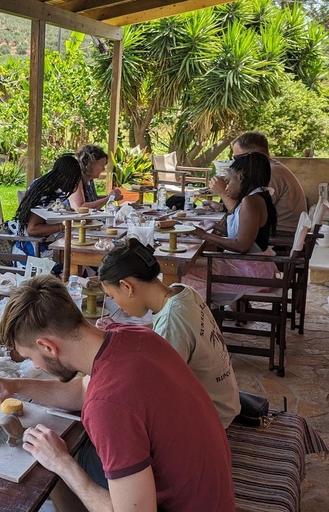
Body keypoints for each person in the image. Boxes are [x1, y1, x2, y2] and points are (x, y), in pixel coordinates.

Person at [0, 275, 235, 511]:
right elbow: (81, 389)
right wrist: (16, 386)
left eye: (31, 357)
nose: (34, 365)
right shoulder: (130, 335)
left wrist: (62, 463)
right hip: (210, 496)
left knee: (59, 476)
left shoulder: (108, 405)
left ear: (47, 346)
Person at [98, 238, 240, 428]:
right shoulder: (181, 292)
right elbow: (161, 331)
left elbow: (158, 390)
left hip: (210, 417)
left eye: (113, 297)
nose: (117, 305)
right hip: (226, 402)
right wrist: (122, 330)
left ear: (127, 286)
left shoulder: (171, 320)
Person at [184, 152, 278, 303]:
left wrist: (205, 236)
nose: (226, 187)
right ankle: (207, 315)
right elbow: (245, 234)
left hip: (251, 274)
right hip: (255, 267)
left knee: (185, 273)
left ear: (240, 177)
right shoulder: (257, 196)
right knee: (194, 269)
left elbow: (243, 245)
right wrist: (216, 226)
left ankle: (199, 319)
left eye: (228, 181)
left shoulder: (251, 201)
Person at [210, 131, 306, 232]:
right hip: (268, 233)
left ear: (253, 156)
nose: (236, 163)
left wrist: (222, 193)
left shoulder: (270, 174)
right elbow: (245, 208)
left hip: (279, 238)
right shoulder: (267, 169)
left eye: (238, 158)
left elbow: (247, 216)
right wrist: (221, 207)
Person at [7, 153, 83, 258]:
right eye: (74, 181)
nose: (74, 185)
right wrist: (66, 226)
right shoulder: (45, 193)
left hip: (43, 244)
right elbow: (32, 229)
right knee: (78, 259)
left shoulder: (48, 186)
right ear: (65, 177)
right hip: (32, 251)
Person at [68, 144, 122, 209]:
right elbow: (80, 207)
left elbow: (92, 199)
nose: (103, 169)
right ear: (90, 163)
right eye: (102, 165)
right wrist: (109, 198)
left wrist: (112, 197)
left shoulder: (89, 179)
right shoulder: (76, 178)